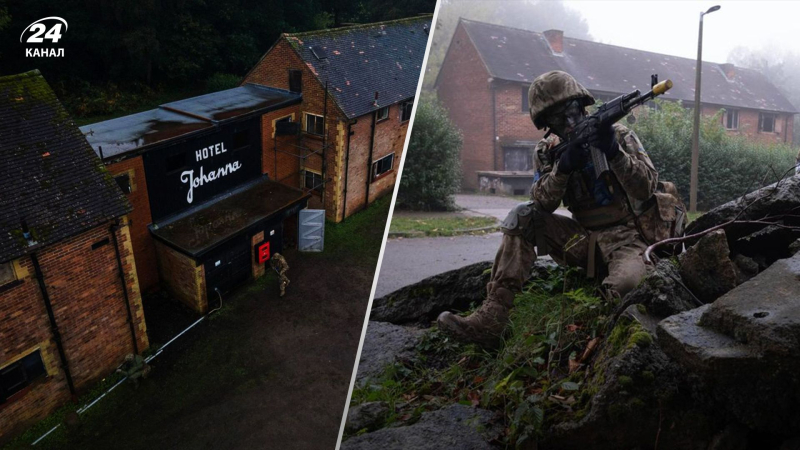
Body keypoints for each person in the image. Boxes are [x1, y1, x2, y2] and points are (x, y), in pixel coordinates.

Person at [437, 70, 685, 348]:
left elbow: (646, 188)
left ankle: (599, 331)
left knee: (627, 286)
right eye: (558, 118)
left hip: (628, 237)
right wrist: (563, 168)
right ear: (547, 123)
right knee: (522, 216)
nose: (568, 123)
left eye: (571, 112)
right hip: (581, 238)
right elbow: (541, 203)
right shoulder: (548, 151)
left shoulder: (619, 135)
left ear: (581, 105)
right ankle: (493, 317)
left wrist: (613, 152)